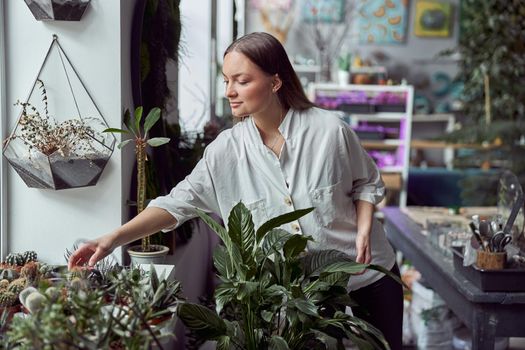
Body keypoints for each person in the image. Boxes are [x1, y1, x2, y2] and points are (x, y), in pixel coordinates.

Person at [68, 32, 403, 349]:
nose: (229, 90)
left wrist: (362, 231)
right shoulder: (225, 151)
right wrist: (111, 239)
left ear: (275, 81)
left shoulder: (330, 132)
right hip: (304, 296)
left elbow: (366, 183)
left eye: (242, 80)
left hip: (367, 277)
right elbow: (177, 204)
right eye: (226, 80)